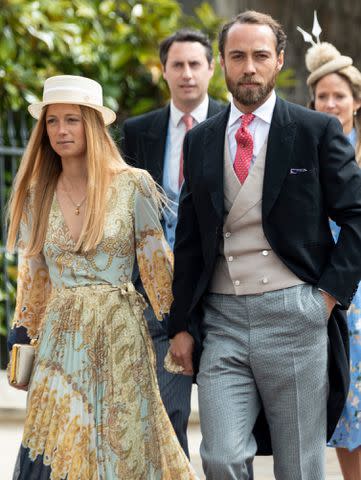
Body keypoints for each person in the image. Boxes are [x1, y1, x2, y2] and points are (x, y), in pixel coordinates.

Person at [167, 10, 361, 480]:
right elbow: (190, 241)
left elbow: (356, 216)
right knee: (220, 457)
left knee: (298, 466)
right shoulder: (204, 139)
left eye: (259, 56)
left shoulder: (315, 132)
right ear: (223, 63)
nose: (248, 67)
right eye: (237, 57)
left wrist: (325, 299)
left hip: (296, 316)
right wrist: (181, 325)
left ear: (278, 61)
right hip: (222, 320)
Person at [6, 74, 197, 479]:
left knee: (122, 446)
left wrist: (184, 331)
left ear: (92, 123)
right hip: (59, 342)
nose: (61, 131)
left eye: (72, 119)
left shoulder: (133, 186)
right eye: (52, 121)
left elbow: (158, 269)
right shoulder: (36, 192)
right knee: (58, 447)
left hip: (119, 338)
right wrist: (21, 341)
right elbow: (35, 278)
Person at [121, 29, 224, 457]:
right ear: (163, 70)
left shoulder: (232, 124)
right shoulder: (139, 130)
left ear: (211, 69)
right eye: (177, 65)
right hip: (156, 292)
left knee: (223, 425)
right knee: (166, 411)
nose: (186, 74)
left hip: (220, 286)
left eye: (195, 64)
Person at [302, 27, 361, 480]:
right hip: (336, 296)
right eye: (322, 96)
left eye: (338, 95)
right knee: (349, 414)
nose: (330, 104)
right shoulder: (307, 154)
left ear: (355, 100)